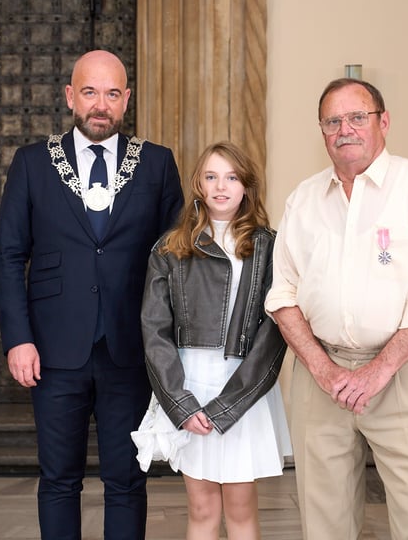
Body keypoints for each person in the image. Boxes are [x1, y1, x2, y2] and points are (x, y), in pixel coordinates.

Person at [0, 49, 184, 539]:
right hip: (54, 350)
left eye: (113, 93)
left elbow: (176, 261)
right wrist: (18, 338)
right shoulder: (33, 163)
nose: (101, 104)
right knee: (59, 478)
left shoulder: (157, 164)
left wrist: (170, 345)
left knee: (127, 479)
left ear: (126, 100)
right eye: (90, 92)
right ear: (69, 96)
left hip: (132, 348)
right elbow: (10, 256)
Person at [265, 78, 408, 539]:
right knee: (324, 526)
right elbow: (282, 295)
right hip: (320, 379)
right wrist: (323, 369)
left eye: (357, 117)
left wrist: (376, 372)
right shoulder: (304, 199)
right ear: (322, 131)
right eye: (333, 121)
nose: (344, 129)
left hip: (403, 376)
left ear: (383, 122)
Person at [140, 141, 292, 539]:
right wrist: (180, 403)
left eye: (231, 177)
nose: (221, 186)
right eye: (211, 176)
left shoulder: (269, 247)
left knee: (241, 510)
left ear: (247, 186)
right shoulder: (170, 248)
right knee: (202, 508)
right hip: (189, 385)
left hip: (246, 390)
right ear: (198, 184)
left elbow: (275, 331)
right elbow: (154, 331)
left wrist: (229, 406)